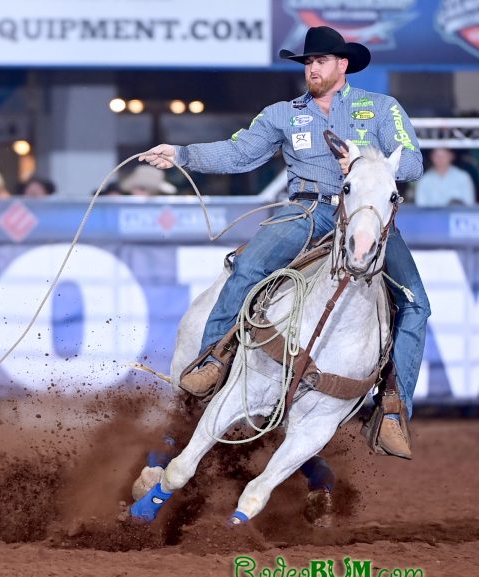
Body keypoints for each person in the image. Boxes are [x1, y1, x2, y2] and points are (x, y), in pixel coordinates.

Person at [141, 26, 429, 459]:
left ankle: (391, 407)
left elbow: (412, 162)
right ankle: (213, 359)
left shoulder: (382, 109)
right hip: (305, 213)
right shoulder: (283, 114)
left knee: (415, 302)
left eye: (321, 61)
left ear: (342, 65)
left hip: (366, 220)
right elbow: (239, 153)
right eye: (308, 63)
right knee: (248, 267)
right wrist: (182, 154)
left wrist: (368, 162)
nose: (313, 69)